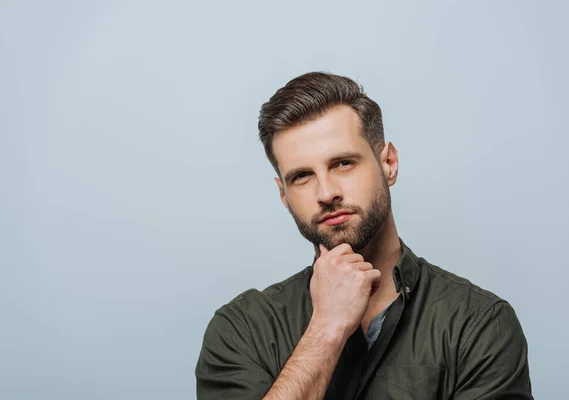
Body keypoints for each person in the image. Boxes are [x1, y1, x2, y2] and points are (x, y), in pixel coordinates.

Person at [195, 72, 533, 399]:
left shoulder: (478, 324)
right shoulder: (242, 329)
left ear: (389, 163)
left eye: (343, 163)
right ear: (283, 194)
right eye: (301, 176)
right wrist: (327, 329)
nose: (326, 193)